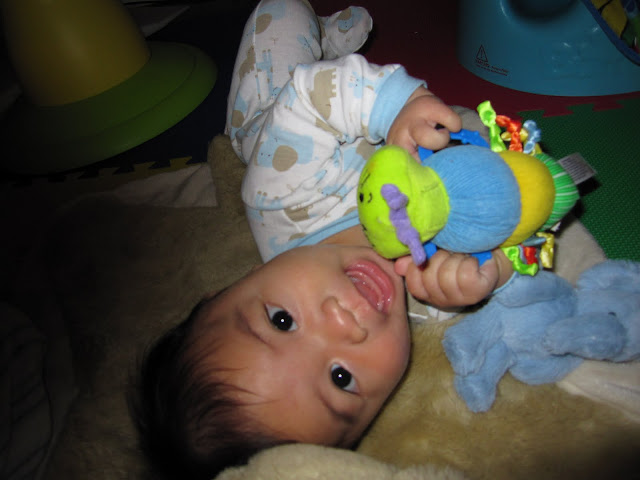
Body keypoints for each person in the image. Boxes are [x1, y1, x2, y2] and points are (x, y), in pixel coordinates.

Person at [129, 1, 514, 479]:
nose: (341, 322)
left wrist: (397, 106)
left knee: (281, 14)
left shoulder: (279, 188)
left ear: (234, 285)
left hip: (285, 122)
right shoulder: (423, 296)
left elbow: (313, 97)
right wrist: (486, 274)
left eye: (283, 321)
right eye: (341, 378)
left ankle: (322, 36)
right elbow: (510, 244)